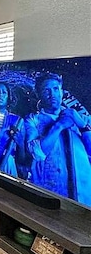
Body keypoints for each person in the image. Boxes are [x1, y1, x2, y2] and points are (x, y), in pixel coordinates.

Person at [24, 73, 91, 205]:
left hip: (85, 195)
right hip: (51, 195)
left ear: (61, 91)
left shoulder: (81, 118)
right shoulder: (32, 120)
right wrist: (59, 125)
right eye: (46, 90)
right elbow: (37, 153)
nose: (52, 94)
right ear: (39, 95)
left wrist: (83, 127)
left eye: (55, 89)